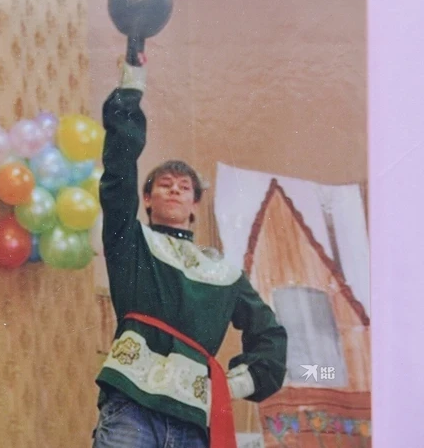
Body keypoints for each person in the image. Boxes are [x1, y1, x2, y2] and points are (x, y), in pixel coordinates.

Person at [92, 56, 288, 448]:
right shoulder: (132, 241)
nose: (175, 189)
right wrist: (132, 84)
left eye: (185, 187)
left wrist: (234, 384)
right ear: (147, 199)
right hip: (131, 405)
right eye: (165, 183)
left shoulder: (223, 272)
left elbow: (270, 333)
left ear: (195, 204)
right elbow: (119, 171)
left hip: (194, 418)